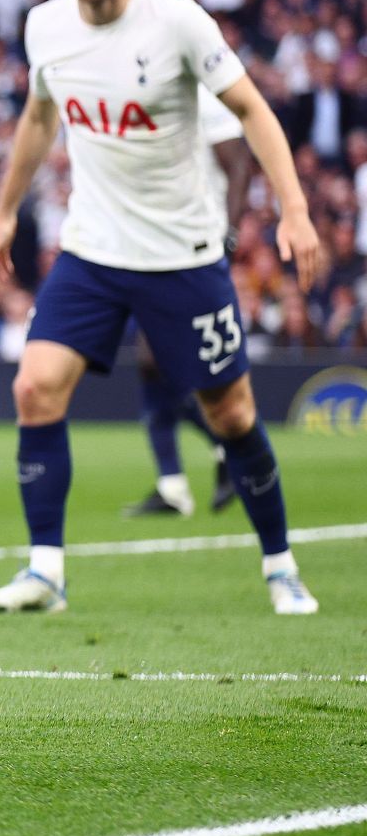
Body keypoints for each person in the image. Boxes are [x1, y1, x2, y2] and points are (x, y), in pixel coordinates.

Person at [0, 0, 324, 616]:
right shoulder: (46, 27)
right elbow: (40, 118)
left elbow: (252, 109)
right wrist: (5, 214)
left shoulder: (177, 22)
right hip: (93, 250)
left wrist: (293, 208)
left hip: (182, 256)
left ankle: (280, 564)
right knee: (34, 387)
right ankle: (45, 572)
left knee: (230, 415)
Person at [122, 86, 252, 519]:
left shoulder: (206, 97)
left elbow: (239, 164)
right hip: (156, 244)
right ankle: (176, 483)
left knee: (162, 360)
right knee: (150, 363)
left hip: (198, 247)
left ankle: (223, 448)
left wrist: (229, 233)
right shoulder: (147, 97)